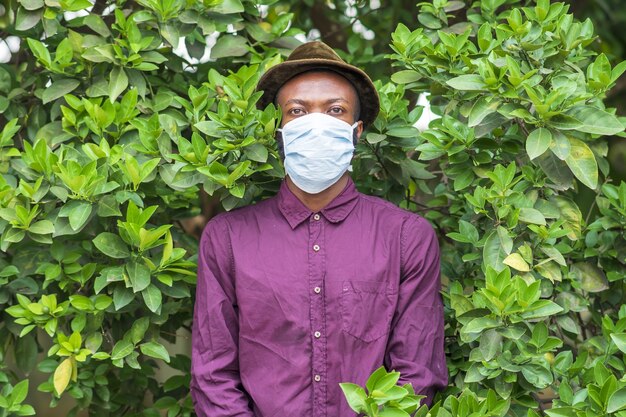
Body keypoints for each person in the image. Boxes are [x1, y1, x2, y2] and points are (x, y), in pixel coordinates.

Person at [191, 41, 447, 416]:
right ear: (278, 131)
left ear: (356, 132)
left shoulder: (406, 237)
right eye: (297, 111)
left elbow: (417, 373)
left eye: (335, 110)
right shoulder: (227, 237)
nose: (316, 122)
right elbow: (213, 373)